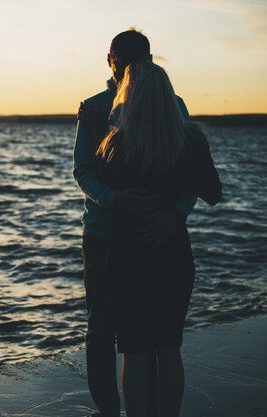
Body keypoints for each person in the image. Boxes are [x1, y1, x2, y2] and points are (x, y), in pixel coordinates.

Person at [72, 28, 197, 417]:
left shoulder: (170, 103)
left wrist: (174, 215)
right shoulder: (95, 107)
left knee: (145, 339)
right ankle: (109, 408)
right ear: (110, 61)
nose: (122, 67)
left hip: (152, 237)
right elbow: (83, 171)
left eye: (129, 60)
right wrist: (116, 200)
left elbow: (190, 173)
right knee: (108, 328)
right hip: (106, 233)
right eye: (119, 59)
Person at [95, 60, 221, 417]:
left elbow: (105, 184)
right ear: (168, 96)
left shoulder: (114, 144)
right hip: (171, 255)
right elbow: (212, 191)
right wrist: (175, 208)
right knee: (168, 348)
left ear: (128, 97)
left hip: (126, 257)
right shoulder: (191, 139)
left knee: (133, 350)